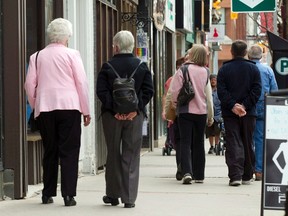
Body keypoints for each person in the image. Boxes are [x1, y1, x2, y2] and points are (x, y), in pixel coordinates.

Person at [25, 18, 91, 206]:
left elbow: (29, 84)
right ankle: (68, 195)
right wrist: (85, 110)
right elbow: (81, 82)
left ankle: (47, 193)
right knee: (69, 150)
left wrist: (36, 104)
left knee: (50, 149)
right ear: (66, 37)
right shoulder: (72, 54)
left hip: (45, 107)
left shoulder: (36, 56)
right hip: (70, 107)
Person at [96, 30, 154, 208]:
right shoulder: (142, 66)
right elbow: (148, 91)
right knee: (131, 154)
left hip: (111, 117)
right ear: (132, 47)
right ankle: (129, 198)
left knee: (113, 153)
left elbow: (101, 91)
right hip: (134, 117)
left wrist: (115, 111)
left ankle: (113, 194)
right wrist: (135, 110)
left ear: (116, 46)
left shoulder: (107, 66)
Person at [217, 40, 261, 186]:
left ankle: (235, 175)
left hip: (230, 113)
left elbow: (221, 91)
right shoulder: (254, 69)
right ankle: (247, 175)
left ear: (232, 52)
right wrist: (244, 106)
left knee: (233, 141)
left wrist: (233, 106)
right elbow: (257, 91)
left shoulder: (224, 69)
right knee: (248, 141)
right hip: (249, 113)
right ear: (245, 53)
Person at [169, 44, 214, 184]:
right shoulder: (206, 71)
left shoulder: (184, 69)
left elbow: (175, 90)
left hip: (185, 111)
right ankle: (199, 174)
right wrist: (210, 115)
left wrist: (175, 103)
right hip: (201, 112)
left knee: (185, 142)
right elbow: (209, 96)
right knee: (199, 142)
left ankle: (187, 172)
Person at [247, 44, 278, 181]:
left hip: (246, 106)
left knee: (246, 138)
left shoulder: (246, 69)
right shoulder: (267, 70)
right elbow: (274, 90)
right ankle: (259, 170)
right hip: (263, 105)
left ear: (248, 56)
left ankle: (247, 168)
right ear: (261, 56)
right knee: (259, 138)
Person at [162, 56, 186, 180]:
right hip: (186, 114)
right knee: (181, 142)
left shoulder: (173, 79)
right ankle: (185, 168)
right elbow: (166, 96)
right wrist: (165, 111)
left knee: (179, 142)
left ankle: (181, 168)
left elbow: (167, 96)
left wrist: (167, 111)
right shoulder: (171, 79)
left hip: (176, 114)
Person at [205, 74, 222, 154]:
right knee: (210, 131)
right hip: (209, 114)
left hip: (218, 114)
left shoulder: (219, 91)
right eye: (212, 80)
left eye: (215, 80)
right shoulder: (207, 90)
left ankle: (216, 145)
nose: (213, 81)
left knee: (217, 130)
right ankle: (211, 146)